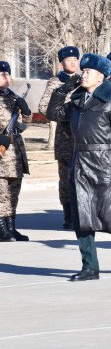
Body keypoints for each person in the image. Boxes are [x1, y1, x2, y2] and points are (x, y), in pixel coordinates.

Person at [46, 53, 111, 281]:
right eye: (83, 71)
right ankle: (90, 267)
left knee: (109, 214)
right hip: (80, 162)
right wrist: (63, 90)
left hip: (105, 163)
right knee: (82, 216)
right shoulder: (76, 102)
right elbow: (53, 113)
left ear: (101, 77)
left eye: (89, 71)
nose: (83, 74)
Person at [39, 46, 80, 229]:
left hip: (84, 137)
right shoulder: (56, 82)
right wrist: (68, 113)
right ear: (61, 62)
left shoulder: (84, 79)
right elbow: (44, 107)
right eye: (68, 59)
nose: (72, 62)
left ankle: (84, 214)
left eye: (75, 59)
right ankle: (69, 215)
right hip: (65, 137)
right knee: (66, 178)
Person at [0, 61, 31, 242]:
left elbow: (23, 125)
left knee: (13, 194)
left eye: (8, 74)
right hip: (2, 156)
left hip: (16, 155)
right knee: (1, 194)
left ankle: (11, 228)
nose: (6, 77)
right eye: (2, 74)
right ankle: (2, 229)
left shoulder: (13, 97)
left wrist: (25, 110)